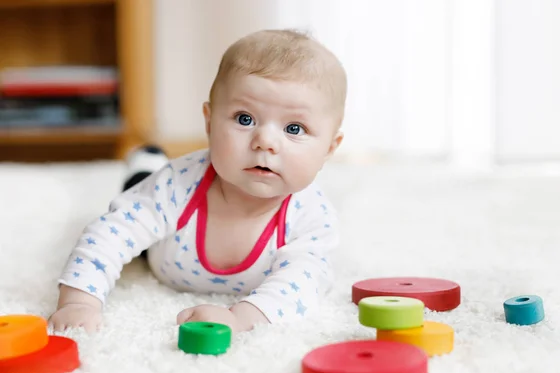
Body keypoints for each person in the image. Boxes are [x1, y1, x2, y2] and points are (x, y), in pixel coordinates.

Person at [48, 29, 346, 334]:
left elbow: (303, 283)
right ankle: (146, 162)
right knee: (139, 187)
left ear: (329, 148)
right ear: (209, 121)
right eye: (245, 119)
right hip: (161, 233)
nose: (265, 142)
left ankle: (149, 161)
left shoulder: (311, 217)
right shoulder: (177, 185)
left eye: (294, 128)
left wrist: (240, 318)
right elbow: (110, 234)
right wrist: (79, 303)